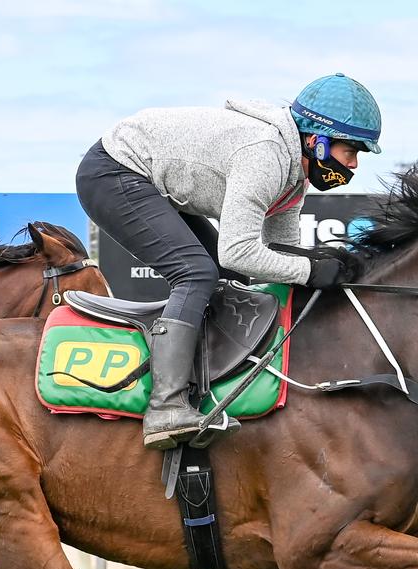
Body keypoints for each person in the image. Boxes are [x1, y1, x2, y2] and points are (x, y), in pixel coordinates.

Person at [76, 74, 381, 449]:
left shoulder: (292, 175)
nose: (353, 165)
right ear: (317, 142)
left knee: (226, 276)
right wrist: (312, 270)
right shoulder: (265, 156)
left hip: (146, 178)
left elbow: (279, 253)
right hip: (113, 171)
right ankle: (166, 409)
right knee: (196, 273)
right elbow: (238, 250)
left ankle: (202, 388)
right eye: (350, 151)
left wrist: (318, 263)